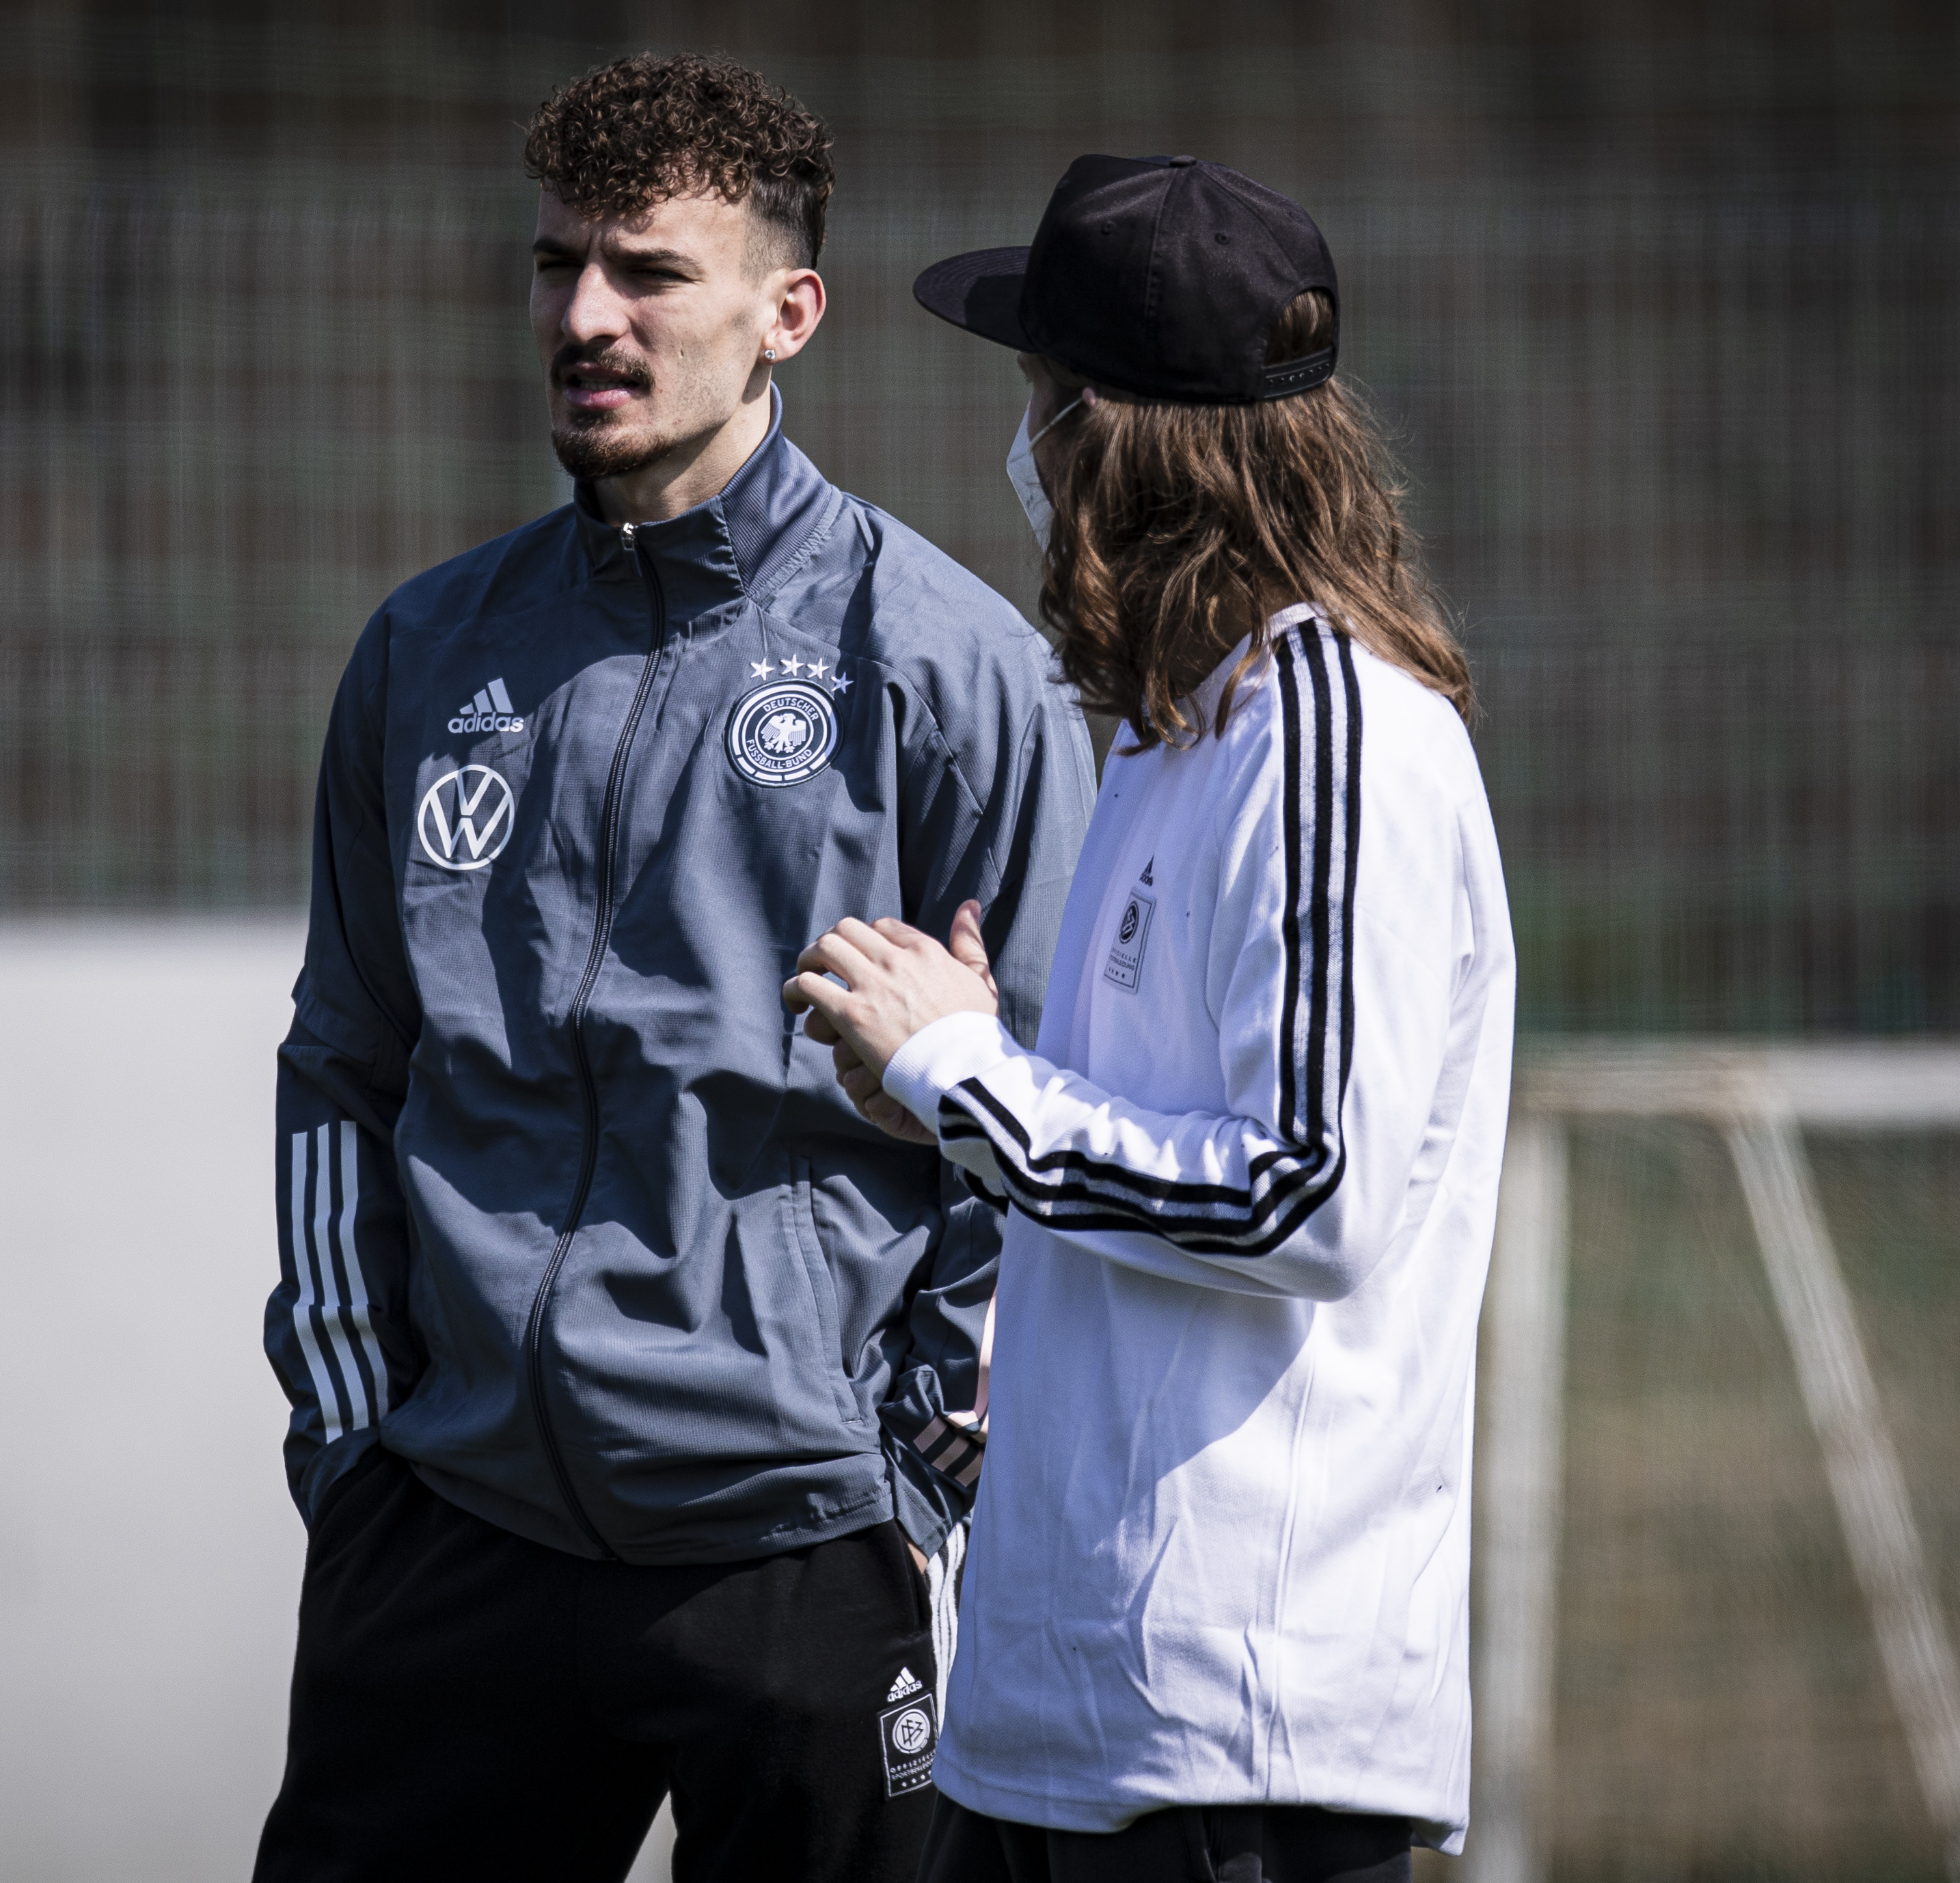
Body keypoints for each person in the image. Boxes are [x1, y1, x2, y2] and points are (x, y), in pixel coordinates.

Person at [251, 54, 1097, 1883]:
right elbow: (344, 1061)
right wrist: (350, 1437)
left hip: (793, 1546)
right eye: (555, 265)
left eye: (646, 271)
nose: (582, 316)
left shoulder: (948, 668)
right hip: (449, 1526)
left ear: (786, 311)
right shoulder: (426, 653)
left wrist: (909, 1471)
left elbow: (1033, 1113)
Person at [785, 156, 1516, 1882]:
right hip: (1061, 1716)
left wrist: (965, 1074)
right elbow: (1141, 1178)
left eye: (1042, 404)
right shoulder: (1176, 732)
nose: (1021, 457)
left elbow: (1298, 1194)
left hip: (1235, 1740)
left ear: (1124, 442)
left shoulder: (1336, 733)